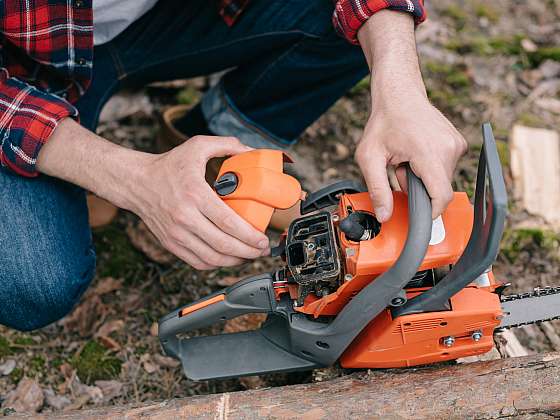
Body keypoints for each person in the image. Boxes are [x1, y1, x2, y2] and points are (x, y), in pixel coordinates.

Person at [0, 0, 467, 331]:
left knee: (351, 20)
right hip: (21, 70)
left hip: (154, 24)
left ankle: (207, 150)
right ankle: (113, 178)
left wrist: (401, 87)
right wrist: (128, 177)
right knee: (33, 282)